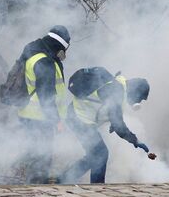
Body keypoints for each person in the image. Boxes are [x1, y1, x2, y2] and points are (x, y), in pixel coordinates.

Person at [60, 68, 153, 184]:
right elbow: (119, 126)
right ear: (135, 92)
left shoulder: (118, 86)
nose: (137, 102)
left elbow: (104, 107)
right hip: (78, 119)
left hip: (77, 117)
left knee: (94, 155)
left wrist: (111, 119)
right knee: (100, 153)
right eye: (139, 98)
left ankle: (65, 178)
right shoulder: (116, 90)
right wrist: (135, 141)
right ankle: (97, 187)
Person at [14, 25, 71, 184]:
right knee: (43, 155)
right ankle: (37, 186)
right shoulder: (45, 61)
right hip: (40, 116)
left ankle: (31, 181)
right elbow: (46, 95)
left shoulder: (32, 50)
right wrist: (57, 120)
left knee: (35, 152)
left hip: (27, 112)